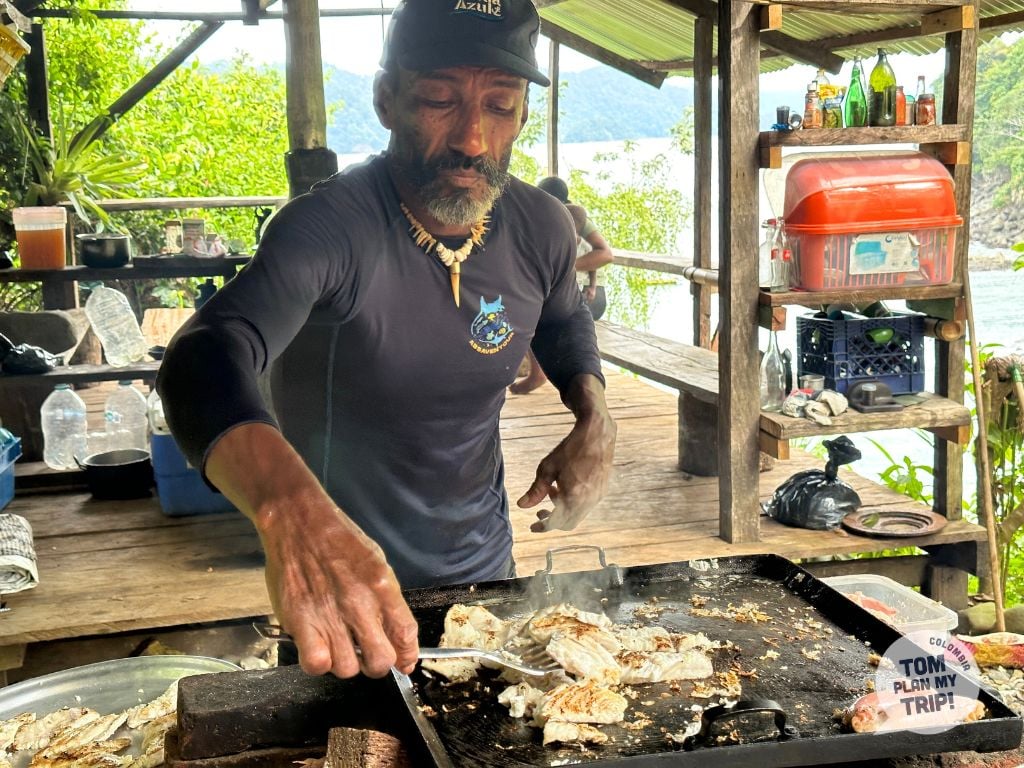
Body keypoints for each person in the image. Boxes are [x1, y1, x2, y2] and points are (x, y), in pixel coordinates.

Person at [157, 0, 616, 682]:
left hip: (484, 578)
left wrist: (593, 410)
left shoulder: (541, 226)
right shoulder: (328, 229)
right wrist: (289, 513)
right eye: (438, 99)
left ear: (522, 115)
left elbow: (562, 316)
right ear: (386, 98)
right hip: (345, 591)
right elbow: (205, 354)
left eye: (499, 104)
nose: (471, 138)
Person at [510, 177, 614, 394]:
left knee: (534, 307)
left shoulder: (574, 215)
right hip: (570, 291)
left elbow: (605, 254)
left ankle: (539, 373)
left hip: (589, 295)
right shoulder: (542, 219)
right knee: (529, 302)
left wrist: (564, 266)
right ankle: (538, 371)